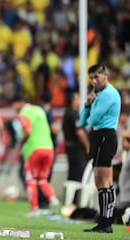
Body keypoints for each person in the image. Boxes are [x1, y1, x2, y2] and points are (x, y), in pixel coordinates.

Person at [80, 64, 121, 233]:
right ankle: (106, 221)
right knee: (107, 182)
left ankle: (105, 223)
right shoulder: (100, 95)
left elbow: (93, 120)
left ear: (105, 75)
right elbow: (83, 122)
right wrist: (87, 104)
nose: (94, 81)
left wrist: (91, 107)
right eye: (91, 78)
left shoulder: (109, 94)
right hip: (100, 137)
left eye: (97, 77)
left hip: (104, 136)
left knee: (101, 181)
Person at [11, 93, 59, 217]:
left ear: (20, 102)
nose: (14, 108)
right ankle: (53, 199)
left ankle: (34, 209)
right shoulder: (39, 109)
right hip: (48, 148)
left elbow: (28, 131)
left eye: (14, 104)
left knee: (31, 179)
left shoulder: (23, 114)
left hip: (34, 149)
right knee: (43, 179)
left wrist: (20, 146)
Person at [62, 92, 90, 206]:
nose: (79, 101)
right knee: (78, 175)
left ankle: (72, 202)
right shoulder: (73, 115)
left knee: (73, 174)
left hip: (71, 149)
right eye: (78, 98)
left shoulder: (67, 114)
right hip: (76, 149)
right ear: (73, 100)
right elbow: (79, 132)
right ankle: (75, 203)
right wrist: (87, 145)